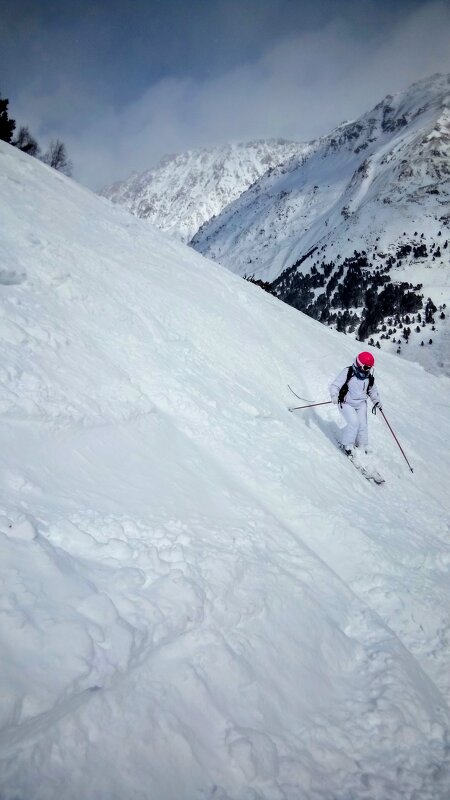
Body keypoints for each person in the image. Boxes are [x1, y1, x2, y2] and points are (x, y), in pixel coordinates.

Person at [329, 351, 382, 455]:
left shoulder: (368, 377)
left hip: (361, 404)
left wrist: (376, 401)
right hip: (346, 403)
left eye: (370, 368)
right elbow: (335, 386)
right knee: (354, 423)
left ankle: (362, 444)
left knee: (362, 425)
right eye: (366, 367)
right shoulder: (348, 372)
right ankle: (347, 445)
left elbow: (372, 390)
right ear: (359, 364)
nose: (368, 370)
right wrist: (334, 395)